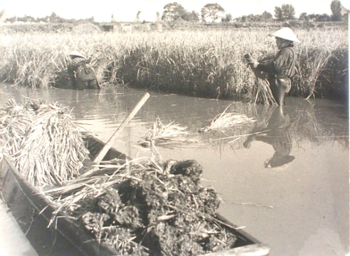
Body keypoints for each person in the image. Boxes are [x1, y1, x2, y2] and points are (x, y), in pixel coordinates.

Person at [246, 27, 299, 106]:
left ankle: (278, 118)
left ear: (283, 40)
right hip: (285, 81)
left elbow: (275, 66)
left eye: (277, 40)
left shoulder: (285, 51)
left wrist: (258, 65)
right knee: (280, 105)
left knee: (278, 106)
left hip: (278, 82)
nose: (276, 42)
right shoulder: (292, 50)